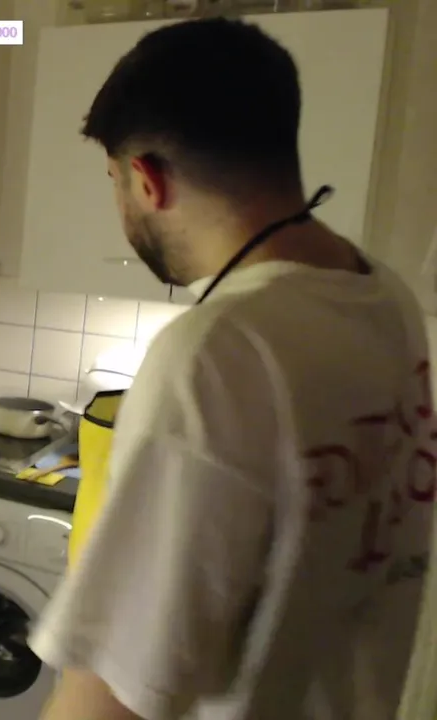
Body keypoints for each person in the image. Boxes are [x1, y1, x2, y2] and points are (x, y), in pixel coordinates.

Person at [30, 17, 435, 720]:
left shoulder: (218, 353)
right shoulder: (384, 295)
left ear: (147, 179)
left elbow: (112, 693)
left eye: (114, 181)